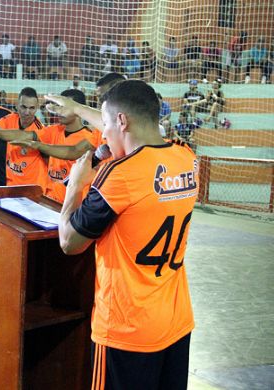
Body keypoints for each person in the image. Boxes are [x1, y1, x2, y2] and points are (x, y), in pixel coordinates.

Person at [54, 80, 198, 390]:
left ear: (121, 121)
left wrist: (76, 186)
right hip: (175, 323)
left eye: (105, 124)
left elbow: (69, 242)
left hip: (127, 330)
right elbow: (130, 124)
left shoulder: (119, 176)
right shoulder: (186, 157)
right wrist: (79, 109)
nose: (102, 134)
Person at [0, 89, 103, 204]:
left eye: (64, 108)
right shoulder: (53, 130)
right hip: (49, 199)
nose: (59, 111)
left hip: (73, 202)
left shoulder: (90, 136)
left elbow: (72, 152)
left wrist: (38, 145)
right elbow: (25, 135)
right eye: (58, 107)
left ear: (78, 109)